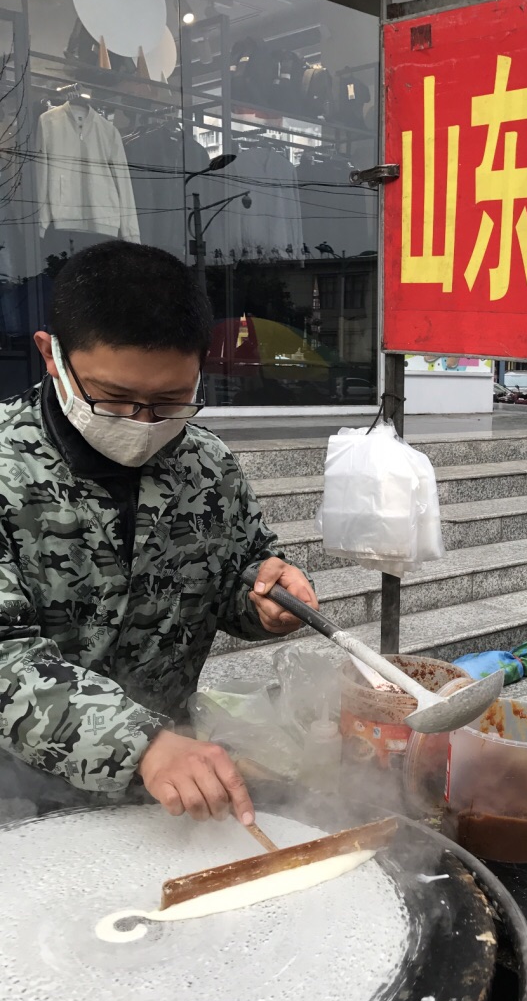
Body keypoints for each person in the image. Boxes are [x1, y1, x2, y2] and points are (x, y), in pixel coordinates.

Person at [0, 240, 319, 823]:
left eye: (171, 400)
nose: (142, 423)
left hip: (168, 797)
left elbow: (240, 573)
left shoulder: (208, 466)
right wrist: (143, 743)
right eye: (115, 399)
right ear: (52, 356)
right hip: (18, 800)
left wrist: (269, 598)